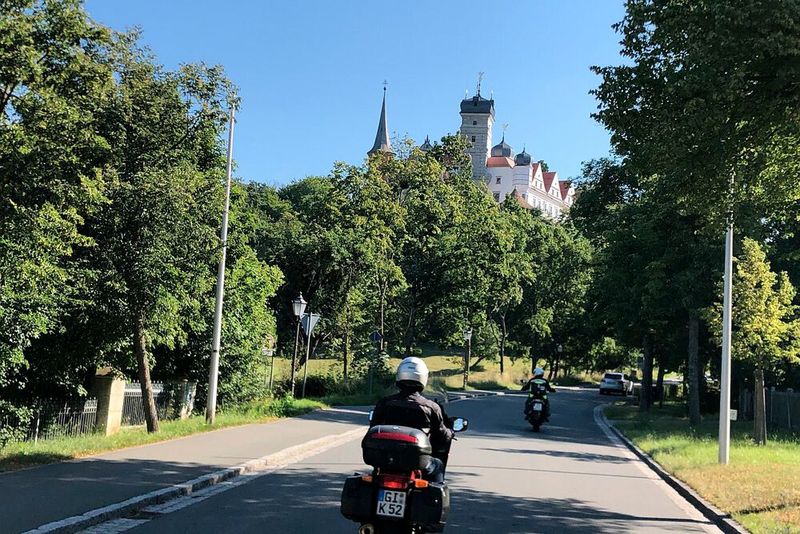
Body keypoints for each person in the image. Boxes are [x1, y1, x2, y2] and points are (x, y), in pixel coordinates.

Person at [370, 356, 453, 483]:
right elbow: (441, 434)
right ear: (423, 378)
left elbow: (374, 428)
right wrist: (450, 433)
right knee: (438, 466)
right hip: (417, 461)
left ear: (400, 376)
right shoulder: (431, 408)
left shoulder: (384, 403)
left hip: (386, 459)